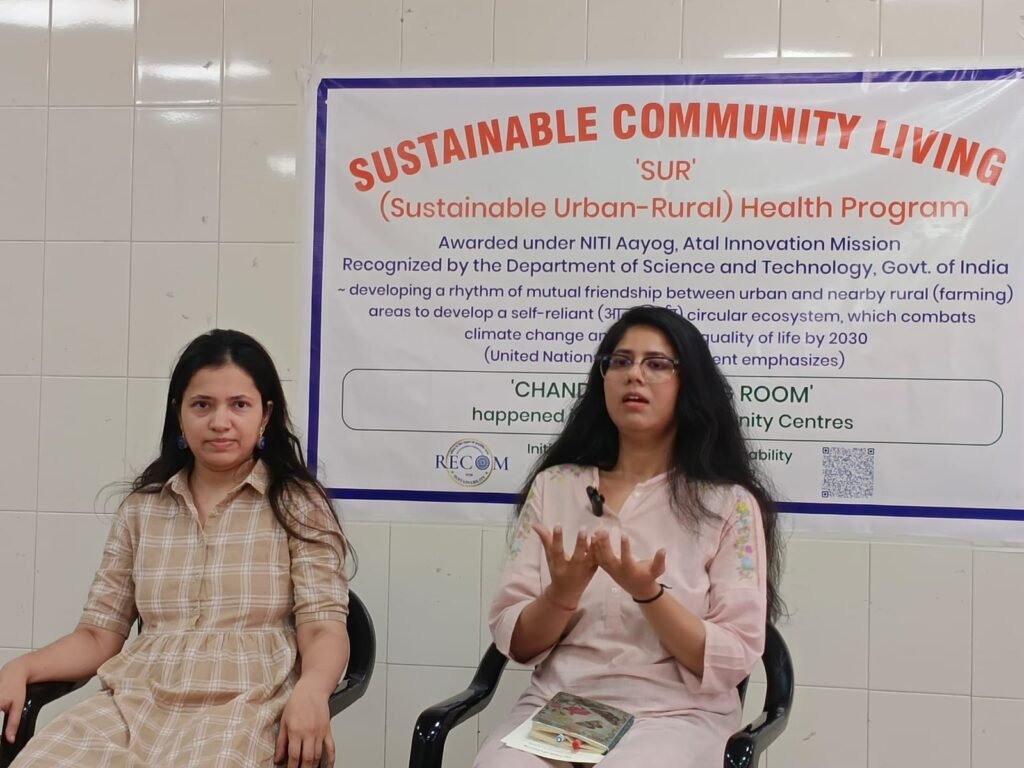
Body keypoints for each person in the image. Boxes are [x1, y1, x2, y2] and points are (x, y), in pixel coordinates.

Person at [0, 330, 351, 768]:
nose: (220, 422)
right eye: (202, 405)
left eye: (239, 405)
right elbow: (98, 635)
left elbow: (323, 628)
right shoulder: (142, 509)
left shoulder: (297, 505)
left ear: (265, 415)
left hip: (247, 706)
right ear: (179, 414)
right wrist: (24, 667)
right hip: (135, 703)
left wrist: (313, 691)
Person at [474, 305, 783, 767]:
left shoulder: (728, 503)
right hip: (564, 705)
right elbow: (517, 644)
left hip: (675, 714)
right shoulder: (556, 487)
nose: (634, 375)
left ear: (689, 385)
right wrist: (562, 592)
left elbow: (732, 659)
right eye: (620, 361)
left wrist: (648, 594)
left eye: (656, 364)